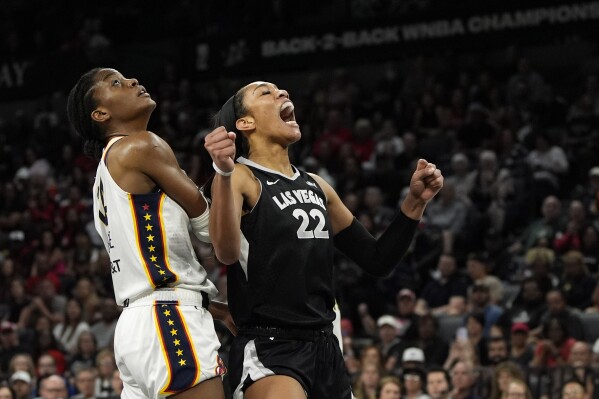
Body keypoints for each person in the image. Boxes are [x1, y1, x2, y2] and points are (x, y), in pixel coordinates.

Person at [204, 81, 443, 399]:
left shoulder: (317, 184)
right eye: (266, 92)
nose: (283, 93)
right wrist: (222, 172)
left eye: (281, 90)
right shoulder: (240, 177)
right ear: (245, 123)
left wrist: (415, 203)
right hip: (271, 346)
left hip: (325, 347)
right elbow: (226, 252)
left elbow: (377, 259)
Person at [66, 67, 231, 399]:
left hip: (136, 329)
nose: (133, 82)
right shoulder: (142, 145)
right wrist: (228, 175)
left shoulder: (102, 178)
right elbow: (210, 228)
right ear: (101, 114)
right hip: (168, 321)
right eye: (116, 83)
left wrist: (216, 307)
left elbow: (145, 268)